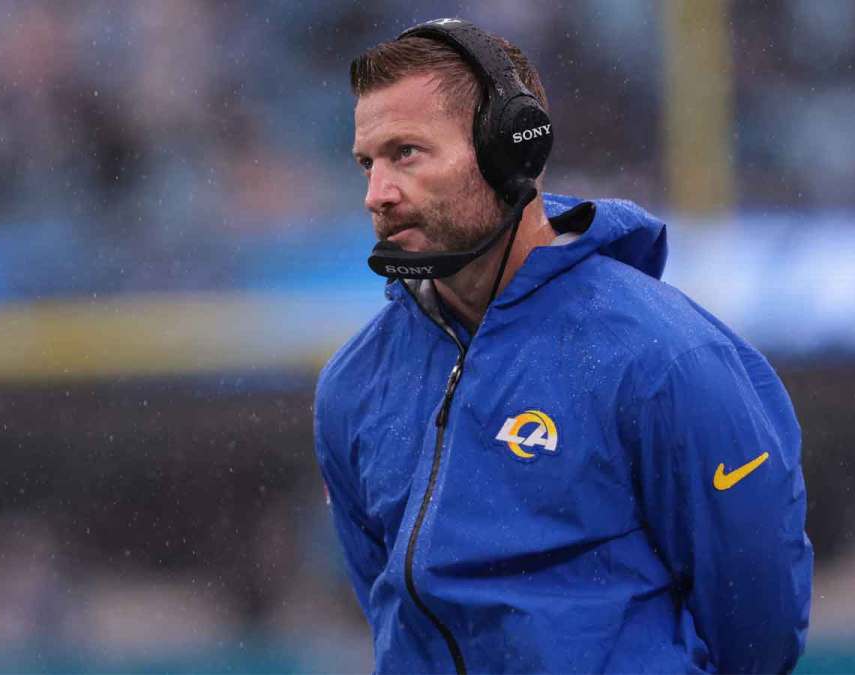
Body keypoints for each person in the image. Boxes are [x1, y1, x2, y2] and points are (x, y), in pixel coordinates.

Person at [313, 18, 812, 674]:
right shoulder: (353, 383)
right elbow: (390, 612)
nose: (377, 194)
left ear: (509, 151)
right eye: (366, 163)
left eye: (406, 152)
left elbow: (758, 629)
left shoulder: (668, 360)